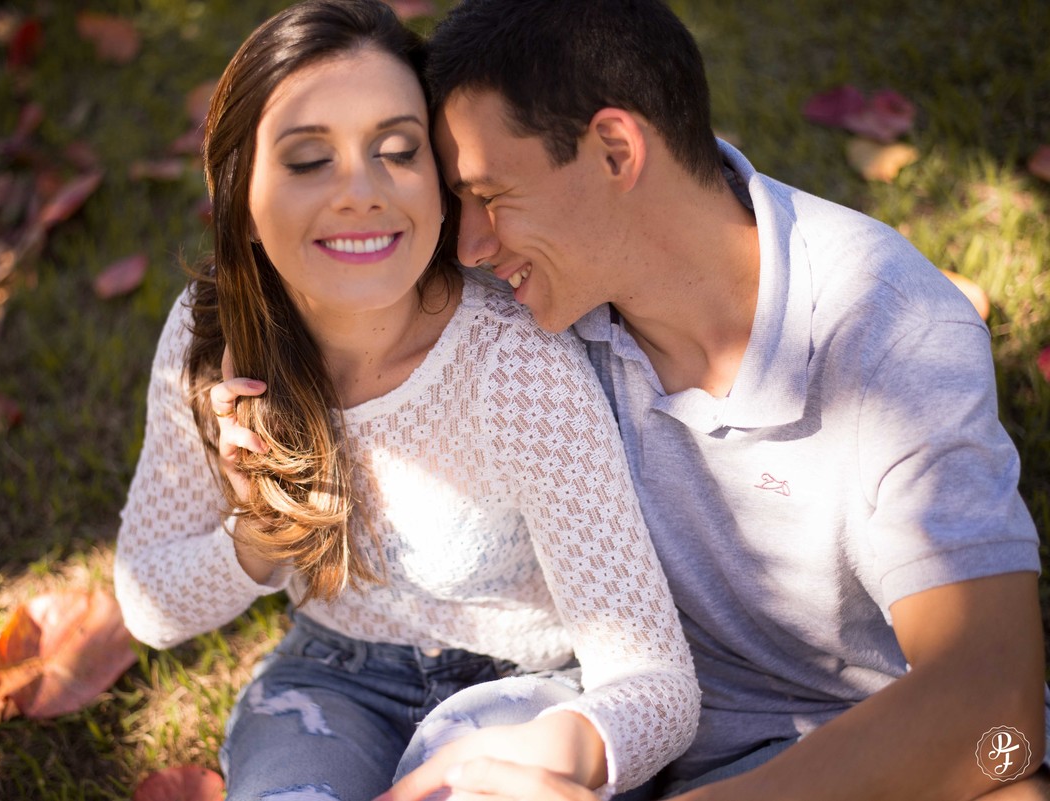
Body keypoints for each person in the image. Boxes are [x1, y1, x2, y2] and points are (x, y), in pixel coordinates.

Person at [367, 0, 1049, 799]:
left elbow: (998, 715)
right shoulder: (535, 312)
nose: (473, 245)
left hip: (887, 753)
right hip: (642, 735)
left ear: (616, 150)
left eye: (491, 195)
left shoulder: (888, 328)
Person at [112, 1, 700, 799]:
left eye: (397, 150)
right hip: (331, 682)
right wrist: (257, 538)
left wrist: (558, 760)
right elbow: (149, 605)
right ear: (239, 198)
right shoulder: (211, 337)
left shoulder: (513, 362)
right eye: (309, 160)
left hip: (531, 690)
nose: (361, 192)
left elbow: (656, 683)